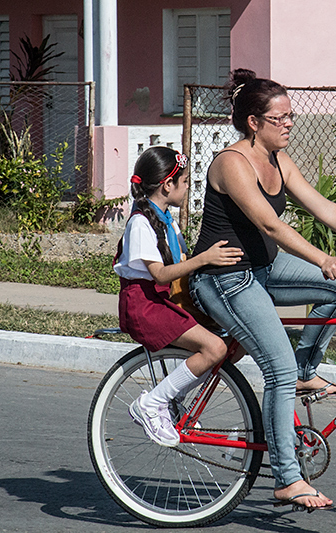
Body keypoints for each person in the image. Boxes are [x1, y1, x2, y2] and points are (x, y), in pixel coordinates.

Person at [189, 68, 336, 511]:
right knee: (277, 369)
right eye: (281, 117)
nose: (290, 123)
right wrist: (320, 258)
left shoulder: (279, 160)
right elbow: (269, 223)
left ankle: (306, 369)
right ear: (254, 122)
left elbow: (325, 207)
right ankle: (288, 479)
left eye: (292, 116)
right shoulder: (231, 163)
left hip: (265, 270)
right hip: (225, 279)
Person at [114, 146, 244, 447]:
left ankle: (172, 398)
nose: (187, 187)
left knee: (238, 342)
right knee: (213, 348)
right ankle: (152, 403)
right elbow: (159, 274)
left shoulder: (165, 219)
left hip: (165, 300)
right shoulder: (140, 223)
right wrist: (204, 259)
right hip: (144, 305)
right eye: (184, 181)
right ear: (167, 185)